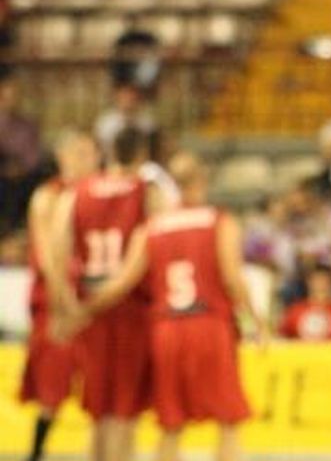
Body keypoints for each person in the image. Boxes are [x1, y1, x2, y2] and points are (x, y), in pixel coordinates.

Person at [68, 152, 268, 461]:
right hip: (209, 323)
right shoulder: (219, 221)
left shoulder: (151, 227)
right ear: (202, 181)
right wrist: (256, 323)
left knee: (171, 424)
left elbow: (122, 283)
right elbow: (233, 280)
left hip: (166, 330)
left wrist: (80, 310)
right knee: (228, 421)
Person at [52, 129, 163, 461]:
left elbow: (56, 254)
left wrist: (69, 307)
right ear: (142, 156)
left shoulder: (75, 193)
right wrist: (91, 307)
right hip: (132, 309)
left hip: (89, 304)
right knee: (124, 414)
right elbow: (145, 258)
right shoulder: (147, 191)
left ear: (109, 153)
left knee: (99, 412)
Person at [19, 131, 99, 461]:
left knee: (102, 388)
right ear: (62, 156)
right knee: (51, 386)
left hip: (94, 300)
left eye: (91, 152)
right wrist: (63, 302)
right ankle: (36, 452)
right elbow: (47, 255)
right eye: (80, 152)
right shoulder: (48, 196)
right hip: (56, 300)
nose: (89, 159)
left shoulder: (98, 192)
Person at [0, 73, 48, 235]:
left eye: (15, 95)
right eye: (6, 95)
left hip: (23, 178)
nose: (11, 99)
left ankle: (19, 231)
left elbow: (33, 158)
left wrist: (19, 168)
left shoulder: (28, 125)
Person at [280, 265, 331, 340]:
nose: (321, 284)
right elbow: (282, 339)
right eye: (317, 280)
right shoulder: (295, 311)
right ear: (309, 283)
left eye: (325, 281)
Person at [94, 83, 156, 161]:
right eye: (125, 96)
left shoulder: (148, 124)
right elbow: (100, 149)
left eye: (132, 97)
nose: (128, 100)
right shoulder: (105, 123)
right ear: (117, 97)